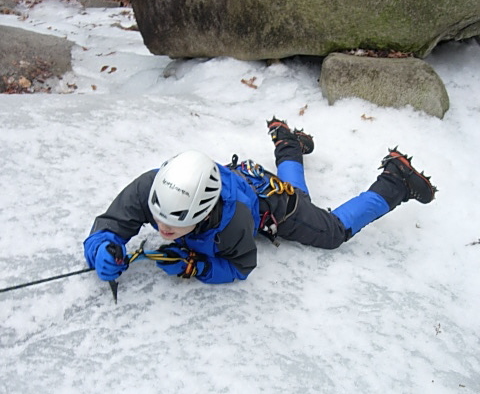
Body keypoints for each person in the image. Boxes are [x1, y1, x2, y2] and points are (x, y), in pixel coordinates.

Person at [83, 117, 436, 284]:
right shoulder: (153, 187)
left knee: (330, 231)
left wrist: (197, 267)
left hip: (272, 206)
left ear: (204, 214)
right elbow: (110, 225)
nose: (162, 228)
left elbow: (241, 266)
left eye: (176, 223)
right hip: (245, 182)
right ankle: (288, 143)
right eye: (160, 217)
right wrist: (102, 249)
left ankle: (395, 181)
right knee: (299, 193)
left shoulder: (231, 223)